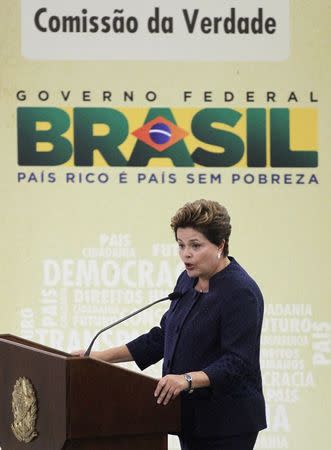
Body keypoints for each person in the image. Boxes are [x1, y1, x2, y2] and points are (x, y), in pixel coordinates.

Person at [78, 199, 267, 450]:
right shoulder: (187, 281)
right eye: (180, 245)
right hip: (189, 416)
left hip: (227, 423)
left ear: (220, 245)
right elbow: (162, 337)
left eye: (195, 245)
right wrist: (98, 358)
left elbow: (237, 362)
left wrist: (186, 380)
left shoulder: (241, 292)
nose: (186, 254)